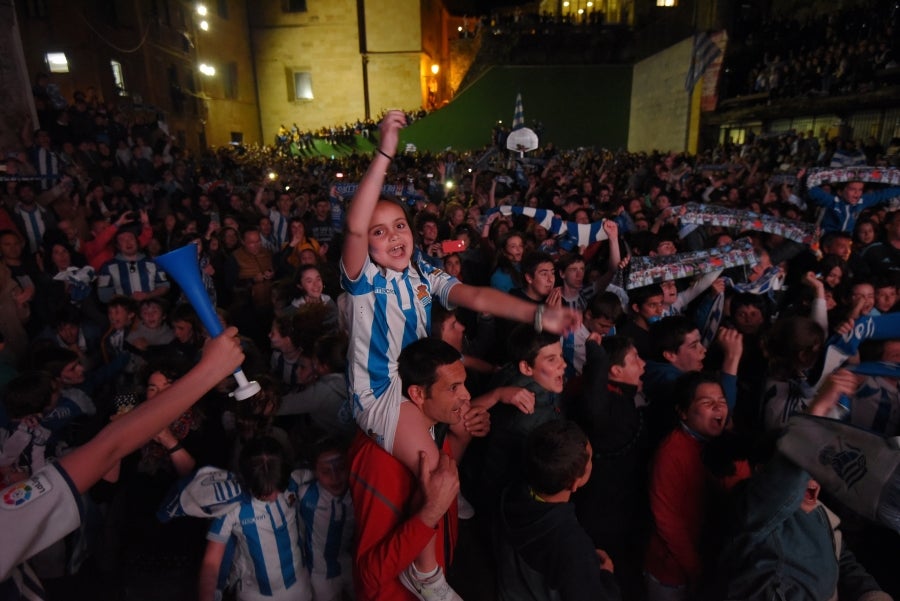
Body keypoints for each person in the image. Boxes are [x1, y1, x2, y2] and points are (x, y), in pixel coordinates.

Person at [341, 111, 578, 600]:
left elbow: (479, 298)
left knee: (451, 449)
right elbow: (355, 222)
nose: (392, 237)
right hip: (382, 393)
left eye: (399, 225)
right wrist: (386, 149)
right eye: (378, 232)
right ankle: (424, 575)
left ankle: (434, 549)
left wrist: (537, 317)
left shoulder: (424, 274)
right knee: (434, 469)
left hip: (418, 386)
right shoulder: (363, 278)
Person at [0, 328, 244, 581]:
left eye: (169, 387)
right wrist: (118, 437)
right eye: (152, 389)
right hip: (138, 528)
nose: (160, 396)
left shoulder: (204, 423)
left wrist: (168, 439)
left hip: (184, 529)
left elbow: (199, 481)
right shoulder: (129, 417)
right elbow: (104, 490)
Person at [716, 369, 893, 601]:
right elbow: (786, 477)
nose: (812, 482)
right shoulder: (751, 510)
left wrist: (870, 593)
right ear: (764, 471)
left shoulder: (818, 510)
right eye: (805, 470)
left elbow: (838, 553)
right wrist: (819, 409)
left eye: (815, 472)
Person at [494, 419, 621, 601]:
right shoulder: (572, 546)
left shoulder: (510, 492)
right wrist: (607, 577)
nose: (592, 462)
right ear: (574, 483)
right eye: (590, 460)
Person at [199, 436, 313, 601]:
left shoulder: (294, 481)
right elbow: (211, 562)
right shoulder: (231, 508)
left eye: (277, 487)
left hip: (299, 588)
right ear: (246, 481)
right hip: (255, 594)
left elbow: (318, 471)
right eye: (263, 492)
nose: (273, 496)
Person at [807, 179, 900, 234]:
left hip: (847, 244)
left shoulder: (862, 201)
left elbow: (881, 195)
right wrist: (804, 178)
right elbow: (814, 192)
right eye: (852, 189)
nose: (857, 193)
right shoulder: (832, 201)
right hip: (824, 242)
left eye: (860, 190)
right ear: (840, 191)